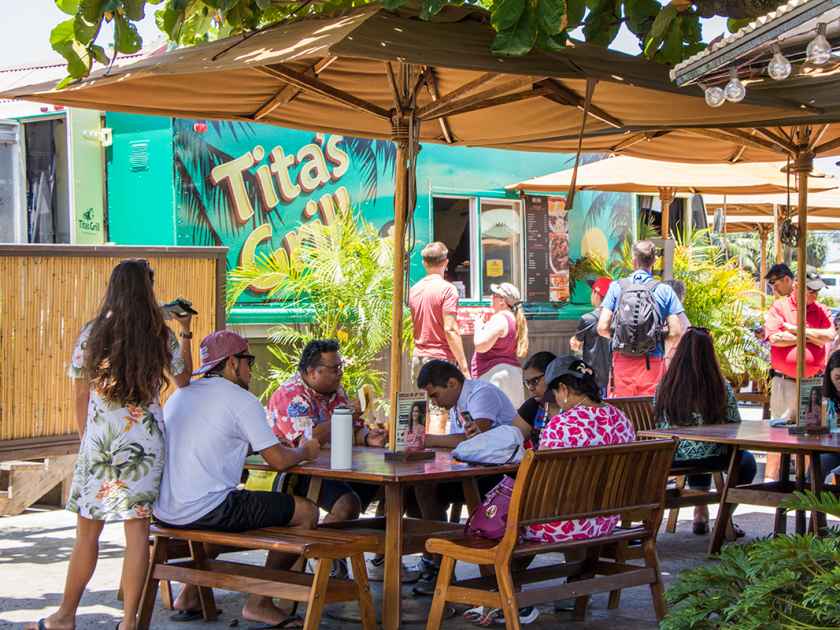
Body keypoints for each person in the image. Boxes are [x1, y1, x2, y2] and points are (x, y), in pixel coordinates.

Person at [27, 259, 193, 630]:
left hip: (101, 443)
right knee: (137, 535)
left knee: (87, 534)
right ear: (147, 292)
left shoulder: (92, 334)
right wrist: (185, 330)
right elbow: (184, 381)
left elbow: (80, 397)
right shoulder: (160, 335)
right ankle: (130, 622)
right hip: (146, 445)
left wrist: (87, 440)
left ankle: (65, 616)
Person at [155, 331, 321, 627]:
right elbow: (280, 461)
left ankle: (190, 595)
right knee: (306, 511)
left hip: (166, 511)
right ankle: (261, 601)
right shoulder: (241, 400)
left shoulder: (180, 395)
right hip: (208, 509)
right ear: (232, 363)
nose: (251, 368)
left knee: (223, 502)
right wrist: (306, 450)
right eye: (249, 360)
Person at [413, 359, 517, 596]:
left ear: (452, 383)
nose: (434, 403)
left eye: (435, 395)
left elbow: (472, 439)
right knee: (418, 488)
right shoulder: (457, 405)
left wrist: (425, 439)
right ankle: (433, 560)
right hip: (475, 473)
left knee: (426, 488)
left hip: (499, 479)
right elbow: (457, 444)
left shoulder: (481, 394)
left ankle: (438, 562)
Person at [268, 339, 386, 525]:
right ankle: (323, 553)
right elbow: (308, 443)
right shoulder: (291, 396)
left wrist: (368, 437)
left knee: (386, 489)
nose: (340, 373)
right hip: (297, 471)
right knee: (347, 504)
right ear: (311, 372)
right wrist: (344, 416)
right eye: (334, 368)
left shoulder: (336, 392)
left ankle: (360, 550)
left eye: (340, 367)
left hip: (338, 468)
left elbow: (352, 432)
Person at [653, 327, 757, 535]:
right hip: (711, 455)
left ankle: (700, 512)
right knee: (746, 463)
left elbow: (659, 420)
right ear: (710, 355)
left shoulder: (665, 385)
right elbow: (734, 422)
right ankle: (723, 518)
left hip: (672, 454)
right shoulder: (719, 385)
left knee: (703, 451)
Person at [597, 240, 684, 397]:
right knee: (650, 411)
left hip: (622, 360)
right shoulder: (664, 290)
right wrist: (662, 346)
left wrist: (620, 339)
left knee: (624, 410)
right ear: (654, 261)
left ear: (633, 261)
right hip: (653, 361)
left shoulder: (617, 287)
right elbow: (676, 332)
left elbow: (602, 327)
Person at [764, 270, 834, 422]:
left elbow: (829, 336)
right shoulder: (779, 307)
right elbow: (775, 338)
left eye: (818, 290)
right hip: (785, 382)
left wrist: (797, 330)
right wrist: (812, 338)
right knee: (781, 436)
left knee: (813, 438)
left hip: (813, 383)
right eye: (811, 289)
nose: (815, 293)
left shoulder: (821, 309)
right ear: (797, 286)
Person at [409, 241, 469, 380]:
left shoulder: (414, 290)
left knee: (421, 402)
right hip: (441, 361)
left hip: (418, 359)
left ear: (424, 263)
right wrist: (464, 368)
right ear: (446, 262)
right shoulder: (447, 290)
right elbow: (450, 329)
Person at [471, 282, 529, 407]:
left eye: (494, 295)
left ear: (502, 300)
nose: (491, 297)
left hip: (494, 375)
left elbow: (480, 345)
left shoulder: (500, 318)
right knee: (511, 420)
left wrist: (478, 325)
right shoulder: (515, 320)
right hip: (512, 375)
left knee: (491, 421)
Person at [569, 277, 612, 395]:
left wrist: (574, 341)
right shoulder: (617, 317)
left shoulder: (588, 319)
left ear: (596, 293)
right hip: (614, 379)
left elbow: (576, 345)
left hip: (593, 378)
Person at [515, 351, 557, 446]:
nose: (531, 388)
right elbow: (512, 440)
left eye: (535, 381)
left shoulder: (573, 407)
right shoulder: (532, 406)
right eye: (527, 383)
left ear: (553, 375)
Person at [820, 351, 840, 479]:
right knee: (820, 461)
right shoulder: (825, 398)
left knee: (823, 462)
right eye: (837, 378)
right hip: (830, 447)